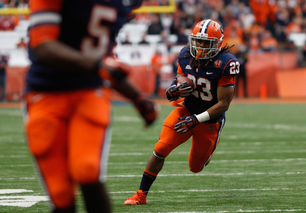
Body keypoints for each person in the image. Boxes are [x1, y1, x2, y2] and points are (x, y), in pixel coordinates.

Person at [24, 0, 159, 213]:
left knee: (87, 170)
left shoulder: (119, 6)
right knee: (60, 193)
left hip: (89, 92)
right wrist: (97, 66)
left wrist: (137, 97)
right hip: (46, 93)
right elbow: (42, 46)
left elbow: (101, 59)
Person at [123, 19, 240, 205]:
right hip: (186, 109)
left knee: (195, 167)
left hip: (209, 119)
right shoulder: (186, 54)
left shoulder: (226, 63)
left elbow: (223, 104)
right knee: (161, 148)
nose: (200, 46)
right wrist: (172, 90)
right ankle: (141, 194)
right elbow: (180, 78)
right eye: (198, 41)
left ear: (217, 44)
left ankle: (211, 147)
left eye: (206, 42)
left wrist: (196, 120)